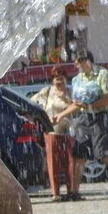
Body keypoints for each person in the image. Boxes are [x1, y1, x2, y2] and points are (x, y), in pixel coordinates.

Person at [55, 50, 108, 200]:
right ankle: (74, 192)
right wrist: (62, 114)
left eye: (78, 62)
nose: (76, 66)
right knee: (80, 154)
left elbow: (107, 100)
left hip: (101, 117)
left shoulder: (102, 75)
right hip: (83, 118)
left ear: (87, 61)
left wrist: (90, 106)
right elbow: (77, 104)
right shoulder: (77, 80)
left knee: (105, 154)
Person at [32, 67, 76, 202]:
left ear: (65, 79)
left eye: (61, 79)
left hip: (68, 132)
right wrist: (43, 116)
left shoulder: (71, 93)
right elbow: (33, 103)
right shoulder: (47, 92)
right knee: (53, 163)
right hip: (51, 131)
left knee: (70, 163)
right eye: (56, 79)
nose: (59, 82)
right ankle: (55, 193)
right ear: (52, 80)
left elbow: (77, 107)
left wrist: (66, 99)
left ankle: (71, 191)